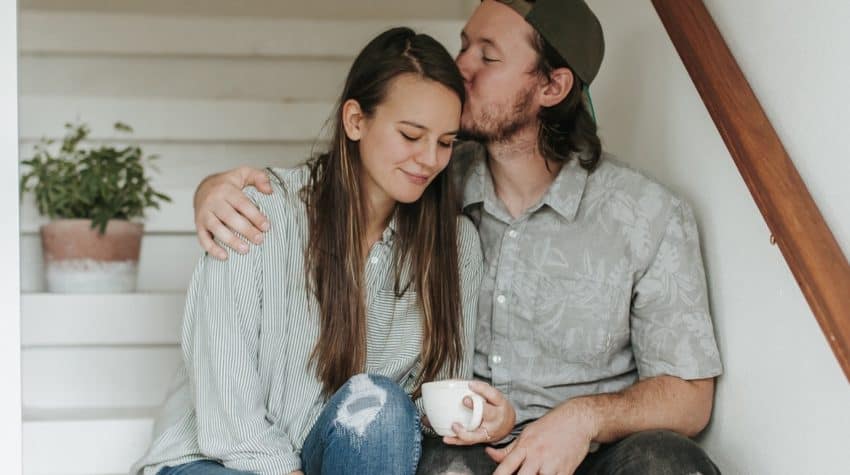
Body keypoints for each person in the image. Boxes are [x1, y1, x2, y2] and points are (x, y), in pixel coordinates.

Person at [192, 1, 724, 474]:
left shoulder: (646, 215)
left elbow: (690, 397)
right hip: (461, 453)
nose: (461, 65)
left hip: (588, 453)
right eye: (464, 44)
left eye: (487, 56)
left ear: (552, 86)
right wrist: (214, 190)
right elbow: (340, 174)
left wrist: (581, 420)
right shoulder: (428, 179)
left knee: (670, 464)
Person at [130, 27, 484, 475]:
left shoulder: (455, 246)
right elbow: (227, 409)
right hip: (216, 460)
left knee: (382, 407)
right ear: (355, 120)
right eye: (411, 135)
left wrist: (485, 416)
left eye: (446, 142)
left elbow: (433, 403)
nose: (430, 159)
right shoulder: (256, 212)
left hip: (334, 458)